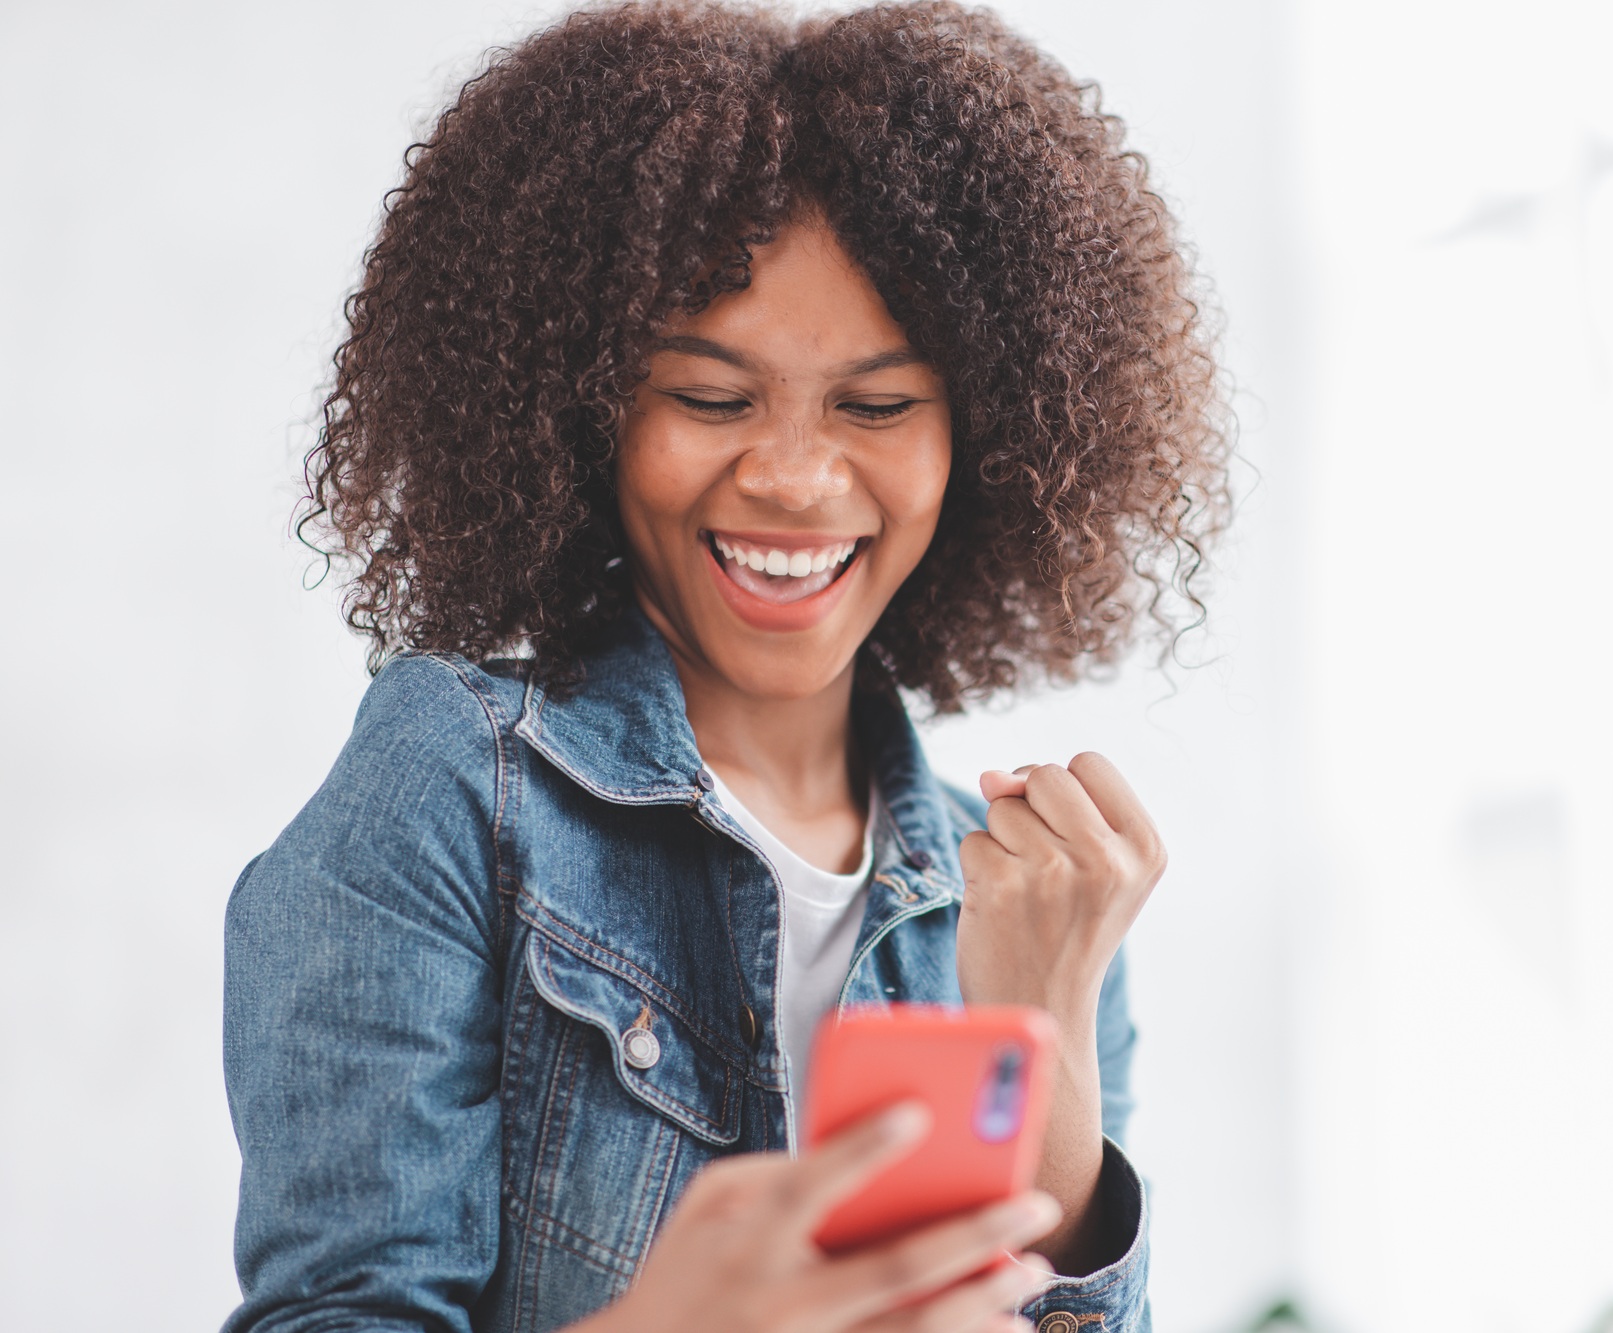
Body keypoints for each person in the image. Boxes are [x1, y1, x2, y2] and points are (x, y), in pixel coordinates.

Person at [221, 3, 1228, 1331]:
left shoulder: (1027, 897)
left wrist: (1043, 1034)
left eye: (875, 406)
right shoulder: (457, 787)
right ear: (582, 410)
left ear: (984, 437)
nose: (797, 479)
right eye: (710, 399)